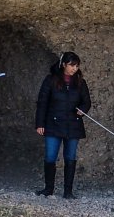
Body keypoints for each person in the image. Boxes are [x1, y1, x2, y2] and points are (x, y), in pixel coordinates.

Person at [33, 52, 92, 199]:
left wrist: (82, 110)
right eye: (72, 65)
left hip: (73, 124)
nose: (74, 69)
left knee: (70, 157)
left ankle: (68, 191)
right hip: (53, 124)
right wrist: (40, 123)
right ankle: (49, 189)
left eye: (77, 66)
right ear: (64, 64)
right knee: (50, 157)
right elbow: (42, 103)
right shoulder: (50, 80)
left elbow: (86, 101)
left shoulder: (80, 82)